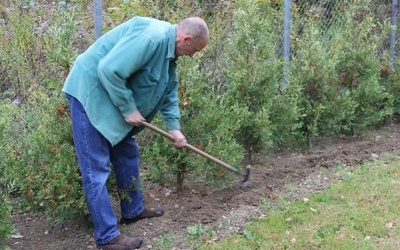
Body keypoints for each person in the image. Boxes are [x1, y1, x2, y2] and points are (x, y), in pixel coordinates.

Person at [63, 16, 209, 249]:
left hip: (111, 97)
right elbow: (108, 69)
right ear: (186, 39)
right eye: (195, 50)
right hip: (90, 93)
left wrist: (175, 128)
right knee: (96, 168)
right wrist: (128, 108)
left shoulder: (170, 54)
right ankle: (107, 236)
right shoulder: (151, 39)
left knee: (127, 153)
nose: (193, 55)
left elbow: (169, 92)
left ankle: (132, 210)